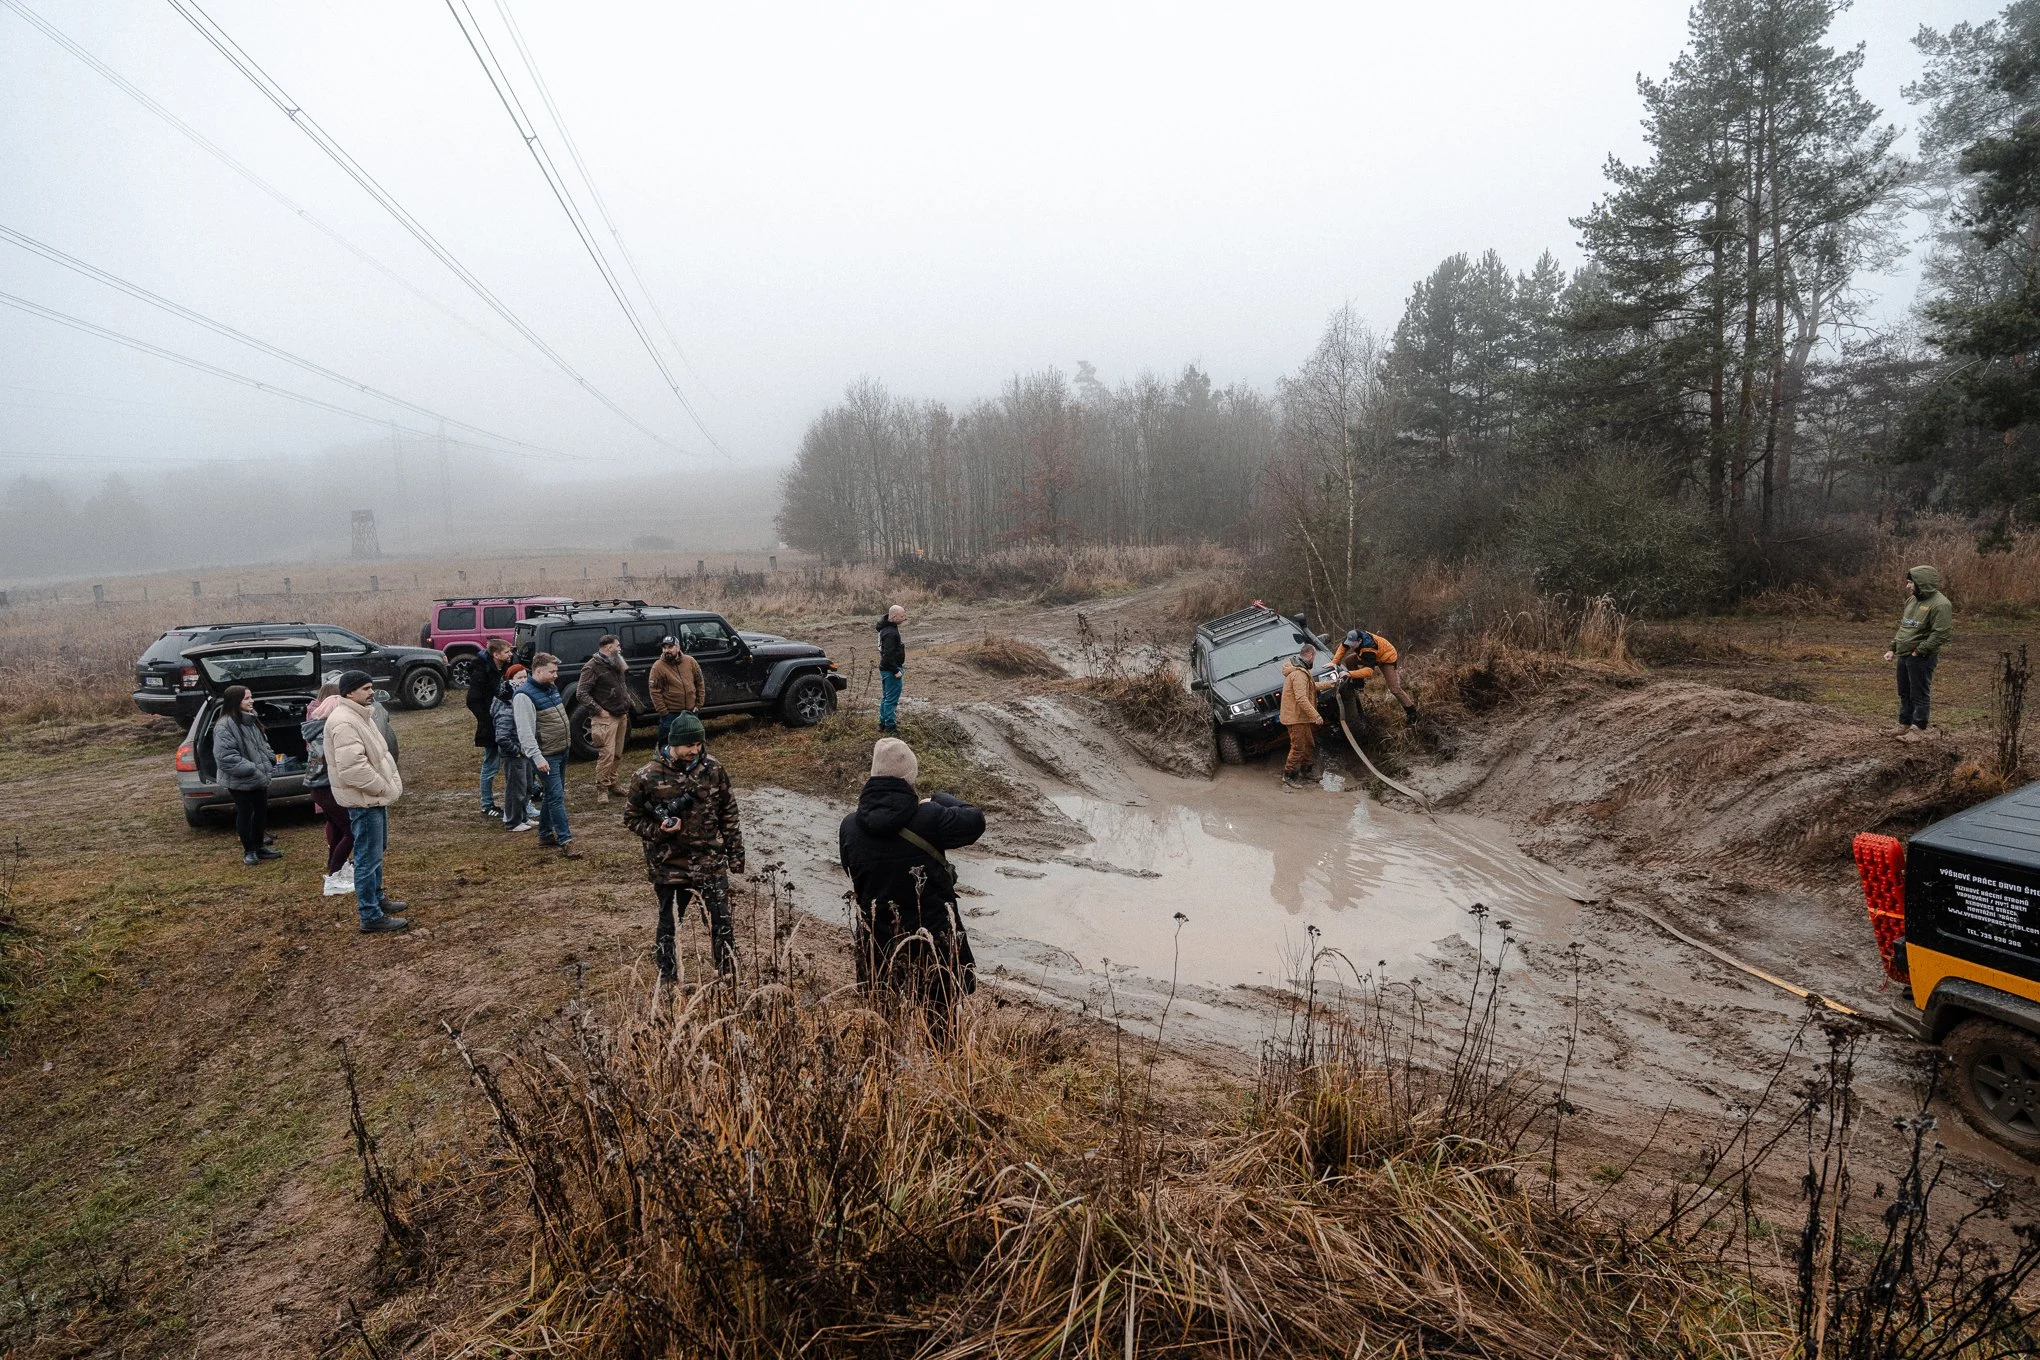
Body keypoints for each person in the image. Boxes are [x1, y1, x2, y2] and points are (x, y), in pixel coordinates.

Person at [838, 736, 985, 1039]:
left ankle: (889, 1080)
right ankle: (946, 1080)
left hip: (878, 948)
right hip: (933, 946)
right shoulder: (929, 817)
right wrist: (939, 798)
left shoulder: (849, 827)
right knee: (942, 1034)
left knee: (883, 1035)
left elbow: (852, 872)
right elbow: (975, 820)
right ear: (909, 777)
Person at [622, 712, 743, 981]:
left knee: (721, 922)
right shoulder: (646, 776)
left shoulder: (713, 769)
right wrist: (658, 830)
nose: (694, 750)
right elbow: (631, 817)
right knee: (670, 923)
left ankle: (727, 974)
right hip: (670, 864)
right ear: (673, 743)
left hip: (709, 861)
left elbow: (729, 812)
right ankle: (667, 977)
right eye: (689, 745)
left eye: (698, 744)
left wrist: (735, 853)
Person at [325, 669, 408, 933]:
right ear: (349, 692)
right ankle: (370, 915)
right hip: (365, 799)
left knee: (375, 851)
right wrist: (382, 787)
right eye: (365, 688)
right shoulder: (344, 722)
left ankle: (378, 898)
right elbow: (352, 769)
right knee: (366, 857)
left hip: (373, 798)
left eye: (371, 687)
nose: (371, 692)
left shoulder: (360, 714)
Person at [514, 653, 581, 857]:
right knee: (556, 797)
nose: (556, 675)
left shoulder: (550, 688)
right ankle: (565, 839)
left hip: (561, 750)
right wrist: (538, 757)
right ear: (538, 671)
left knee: (553, 795)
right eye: (552, 671)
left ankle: (544, 834)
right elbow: (525, 733)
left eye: (556, 671)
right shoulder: (524, 696)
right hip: (547, 755)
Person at [212, 683, 282, 866]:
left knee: (260, 813)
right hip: (240, 779)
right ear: (235, 701)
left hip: (259, 777)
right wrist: (253, 769)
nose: (251, 701)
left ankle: (260, 847)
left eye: (251, 697)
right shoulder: (224, 726)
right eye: (246, 698)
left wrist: (270, 758)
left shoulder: (251, 720)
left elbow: (262, 744)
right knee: (246, 813)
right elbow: (226, 757)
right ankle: (249, 851)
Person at [1885, 565, 1954, 741]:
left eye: (1910, 582)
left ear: (1922, 583)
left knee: (1919, 692)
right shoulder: (1912, 600)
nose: (1908, 586)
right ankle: (1904, 724)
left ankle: (1918, 728)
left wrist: (1919, 650)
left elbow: (1941, 634)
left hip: (1921, 656)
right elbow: (1904, 627)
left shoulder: (1941, 604)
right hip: (1904, 654)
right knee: (1904, 691)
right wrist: (1892, 648)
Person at [303, 682, 354, 895]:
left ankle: (337, 867)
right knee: (353, 832)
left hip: (319, 787)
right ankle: (334, 876)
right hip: (327, 787)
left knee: (337, 827)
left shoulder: (314, 730)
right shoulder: (327, 733)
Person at [579, 634, 634, 800]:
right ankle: (601, 788)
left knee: (617, 753)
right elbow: (581, 693)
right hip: (605, 718)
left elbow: (621, 685)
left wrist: (627, 700)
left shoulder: (616, 662)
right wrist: (599, 710)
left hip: (621, 713)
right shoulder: (591, 667)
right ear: (609, 647)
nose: (620, 648)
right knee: (607, 755)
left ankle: (613, 782)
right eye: (617, 646)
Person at [1279, 644, 1335, 788]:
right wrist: (1316, 716)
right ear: (1310, 655)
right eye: (1314, 657)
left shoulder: (1301, 670)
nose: (1314, 659)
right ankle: (1289, 776)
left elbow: (1311, 686)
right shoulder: (1299, 673)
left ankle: (1306, 771)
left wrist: (1331, 684)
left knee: (1309, 744)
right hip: (1295, 717)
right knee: (1298, 747)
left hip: (1299, 717)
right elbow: (1301, 698)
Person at [491, 662, 538, 832]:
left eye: (526, 677)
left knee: (526, 787)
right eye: (520, 678)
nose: (524, 681)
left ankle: (524, 817)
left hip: (524, 752)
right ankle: (512, 822)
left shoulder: (520, 703)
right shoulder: (505, 710)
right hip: (514, 755)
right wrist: (517, 751)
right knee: (515, 789)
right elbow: (502, 737)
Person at [1334, 628, 1417, 724]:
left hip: (1386, 657)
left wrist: (1350, 674)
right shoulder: (1352, 636)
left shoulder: (1368, 647)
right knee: (1349, 660)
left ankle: (1412, 713)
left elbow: (1369, 671)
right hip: (1373, 655)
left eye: (1352, 645)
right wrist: (1334, 662)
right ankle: (1359, 684)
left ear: (1359, 641)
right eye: (1349, 644)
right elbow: (1342, 647)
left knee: (1394, 689)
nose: (1350, 647)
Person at [467, 638, 511, 818]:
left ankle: (531, 791)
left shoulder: (504, 668)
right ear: (496, 654)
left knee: (514, 760)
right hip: (491, 726)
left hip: (506, 724)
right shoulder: (482, 673)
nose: (511, 654)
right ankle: (487, 804)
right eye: (507, 652)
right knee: (491, 765)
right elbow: (472, 701)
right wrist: (488, 720)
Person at [649, 635, 705, 745]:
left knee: (692, 742)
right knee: (667, 744)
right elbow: (655, 691)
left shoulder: (690, 661)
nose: (667, 651)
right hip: (671, 714)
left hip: (691, 711)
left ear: (678, 648)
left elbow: (700, 682)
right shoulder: (658, 666)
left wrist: (698, 705)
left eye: (670, 647)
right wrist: (663, 712)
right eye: (664, 648)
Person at [876, 604, 907, 734]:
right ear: (894, 617)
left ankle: (882, 723)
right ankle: (890, 727)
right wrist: (896, 671)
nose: (904, 618)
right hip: (890, 670)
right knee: (891, 699)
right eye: (902, 616)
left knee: (886, 697)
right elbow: (887, 655)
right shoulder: (890, 633)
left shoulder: (887, 629)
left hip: (886, 668)